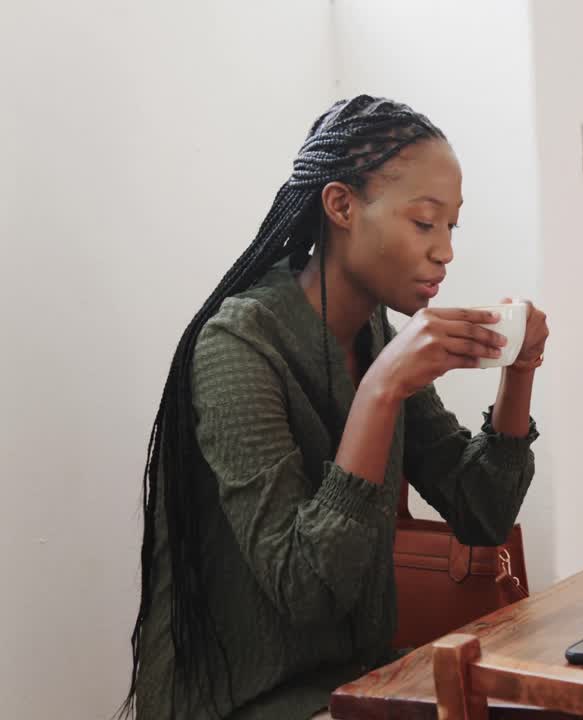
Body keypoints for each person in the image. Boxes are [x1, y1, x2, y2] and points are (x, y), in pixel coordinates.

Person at [120, 95, 548, 719]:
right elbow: (307, 588)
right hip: (245, 700)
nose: (445, 251)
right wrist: (381, 390)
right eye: (424, 223)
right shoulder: (237, 345)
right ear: (341, 206)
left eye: (452, 226)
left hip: (353, 683)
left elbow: (481, 512)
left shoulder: (375, 333)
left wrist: (520, 371)